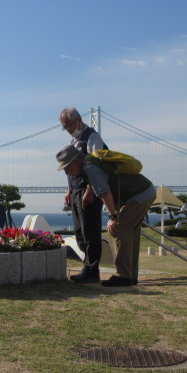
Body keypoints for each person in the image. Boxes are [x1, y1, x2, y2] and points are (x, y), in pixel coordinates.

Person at [56, 144, 156, 287]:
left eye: (66, 167)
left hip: (138, 195)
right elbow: (100, 179)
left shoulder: (89, 167)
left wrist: (112, 218)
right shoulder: (89, 162)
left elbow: (105, 193)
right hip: (144, 192)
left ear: (76, 162)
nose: (66, 172)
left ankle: (123, 276)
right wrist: (89, 190)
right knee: (130, 233)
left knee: (119, 230)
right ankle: (130, 275)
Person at [59, 107, 107, 283]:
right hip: (75, 190)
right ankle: (86, 268)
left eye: (69, 125)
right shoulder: (74, 140)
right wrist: (69, 189)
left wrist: (89, 190)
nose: (68, 129)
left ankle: (92, 271)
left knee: (90, 232)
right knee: (80, 233)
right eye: (64, 127)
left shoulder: (92, 137)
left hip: (88, 191)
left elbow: (96, 165)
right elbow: (71, 167)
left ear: (79, 120)